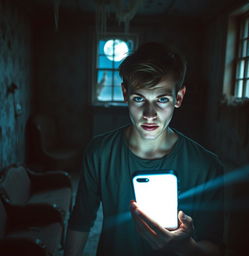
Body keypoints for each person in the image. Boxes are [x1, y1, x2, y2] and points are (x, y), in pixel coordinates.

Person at [64, 42, 224, 256]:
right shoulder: (99, 152)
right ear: (125, 94)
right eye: (139, 98)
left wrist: (185, 247)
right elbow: (81, 220)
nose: (150, 114)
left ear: (179, 98)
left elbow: (216, 247)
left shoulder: (207, 166)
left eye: (162, 99)